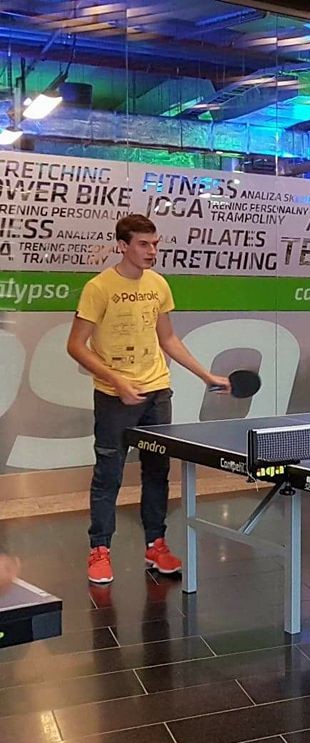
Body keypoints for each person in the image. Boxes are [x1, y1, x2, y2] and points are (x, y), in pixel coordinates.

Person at [67, 214, 230, 586]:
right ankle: (99, 549)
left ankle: (155, 545)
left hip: (157, 391)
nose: (152, 251)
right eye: (143, 244)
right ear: (122, 246)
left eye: (155, 244)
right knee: (108, 474)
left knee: (157, 471)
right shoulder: (98, 288)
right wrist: (117, 380)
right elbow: (75, 345)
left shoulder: (158, 284)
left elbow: (167, 339)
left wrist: (205, 375)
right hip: (114, 397)